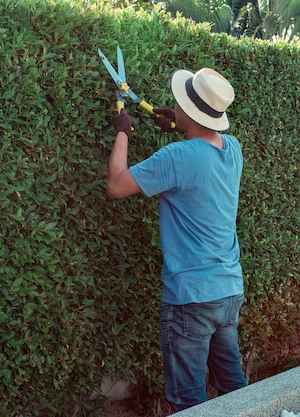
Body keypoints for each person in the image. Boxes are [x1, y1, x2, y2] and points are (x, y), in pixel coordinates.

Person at [106, 68, 248, 411]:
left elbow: (117, 185)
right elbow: (200, 155)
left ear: (189, 111)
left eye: (179, 104)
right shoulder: (233, 148)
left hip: (190, 299)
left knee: (189, 402)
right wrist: (181, 125)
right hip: (227, 291)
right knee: (236, 389)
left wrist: (122, 132)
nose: (173, 105)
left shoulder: (178, 157)